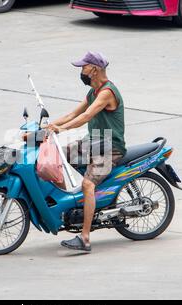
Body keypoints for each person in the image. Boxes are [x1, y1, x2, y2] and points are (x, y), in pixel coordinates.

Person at [47, 51, 126, 252]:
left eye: (83, 67)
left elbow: (86, 116)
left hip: (110, 148)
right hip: (94, 143)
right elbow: (73, 113)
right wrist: (46, 128)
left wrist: (63, 129)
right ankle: (73, 204)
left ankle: (85, 238)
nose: (81, 71)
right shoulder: (93, 92)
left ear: (95, 69)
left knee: (87, 184)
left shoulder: (107, 92)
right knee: (56, 154)